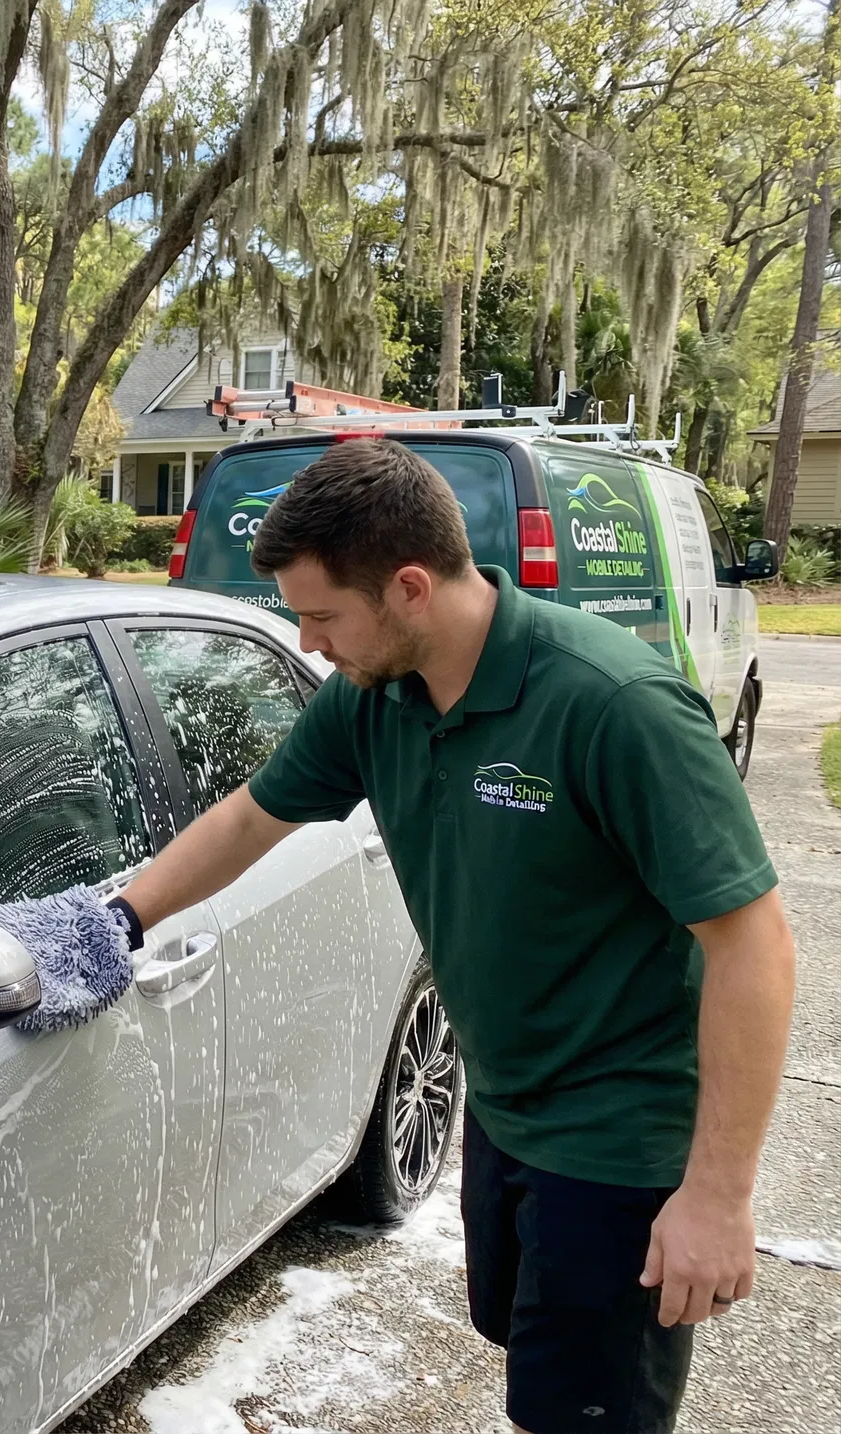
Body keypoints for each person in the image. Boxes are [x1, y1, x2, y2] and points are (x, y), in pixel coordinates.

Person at [107, 438, 795, 1434]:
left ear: (411, 587)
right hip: (506, 1110)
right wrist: (118, 920)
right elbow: (250, 819)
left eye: (321, 616)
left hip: (621, 1141)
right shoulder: (375, 698)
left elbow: (754, 945)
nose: (308, 644)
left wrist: (720, 1195)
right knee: (535, 1367)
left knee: (591, 1412)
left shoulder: (611, 706)